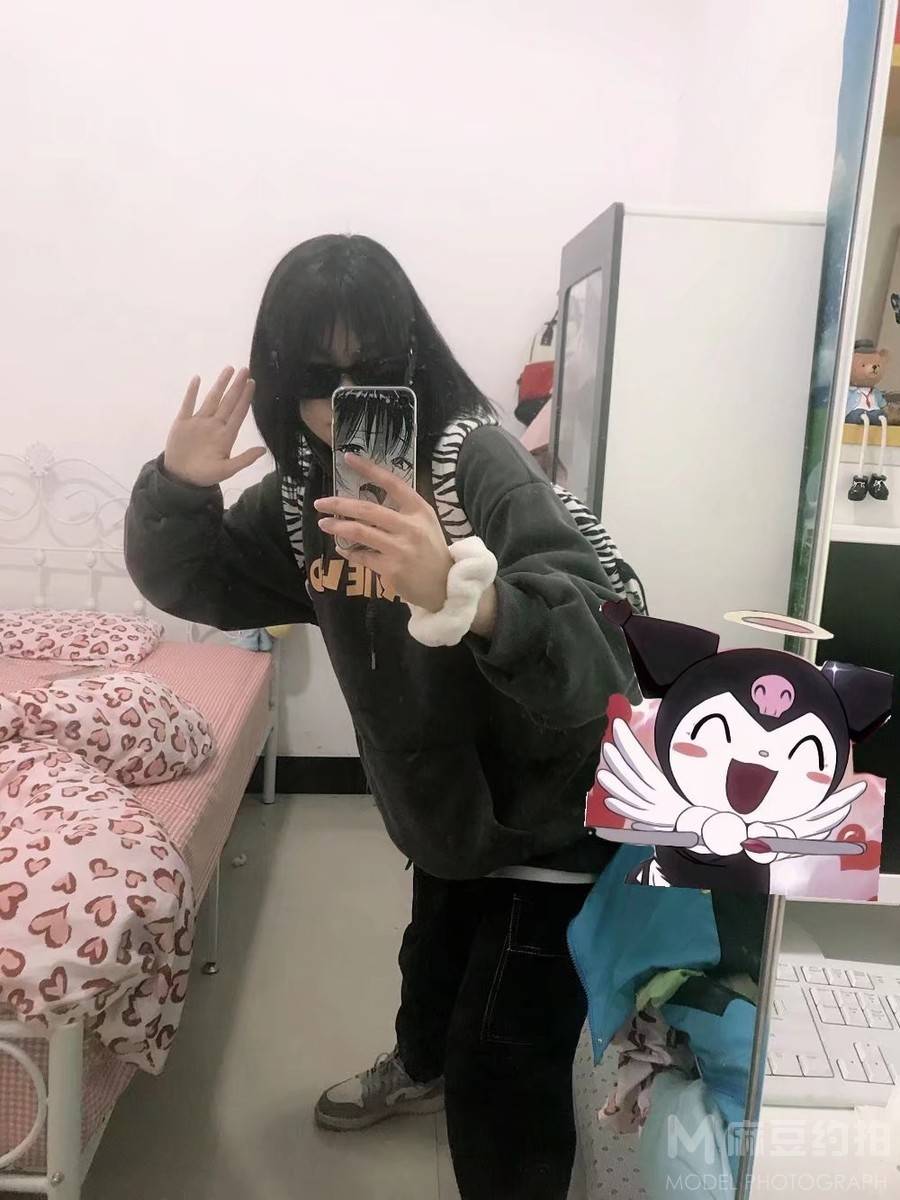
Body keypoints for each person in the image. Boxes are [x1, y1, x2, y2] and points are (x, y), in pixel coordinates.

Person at [124, 234, 633, 1200]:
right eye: (318, 377)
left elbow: (597, 660)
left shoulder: (473, 461)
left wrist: (468, 595)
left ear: (415, 359)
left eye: (375, 369)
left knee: (504, 1064)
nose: (344, 399)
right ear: (281, 378)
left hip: (550, 809)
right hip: (441, 807)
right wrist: (178, 489)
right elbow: (202, 583)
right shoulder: (306, 497)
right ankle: (420, 1067)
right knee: (432, 962)